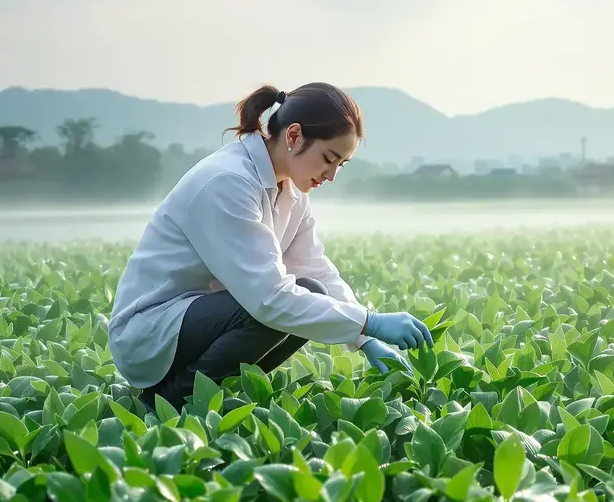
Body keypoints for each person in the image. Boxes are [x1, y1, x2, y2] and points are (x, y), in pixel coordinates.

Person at [107, 82, 432, 410]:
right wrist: (369, 320)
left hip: (199, 323)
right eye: (328, 159)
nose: (331, 175)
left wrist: (365, 339)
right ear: (294, 136)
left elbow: (315, 270)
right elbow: (268, 299)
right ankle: (170, 401)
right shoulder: (227, 182)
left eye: (341, 165)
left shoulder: (292, 191)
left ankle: (196, 393)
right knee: (271, 308)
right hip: (150, 330)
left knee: (310, 288)